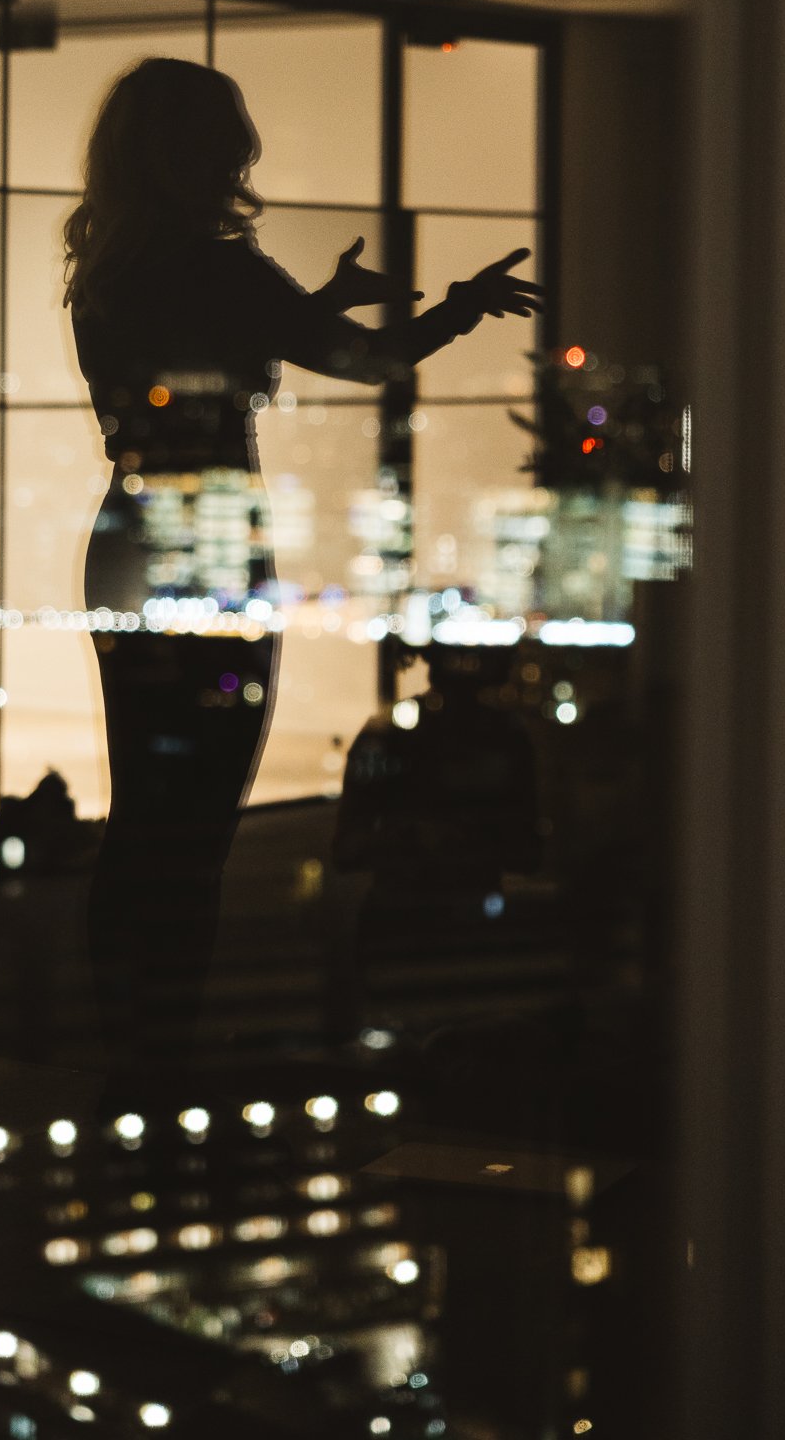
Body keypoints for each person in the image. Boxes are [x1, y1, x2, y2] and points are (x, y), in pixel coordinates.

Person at [64, 56, 541, 1071]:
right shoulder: (219, 266)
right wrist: (458, 305)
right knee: (197, 831)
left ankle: (123, 1046)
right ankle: (164, 1052)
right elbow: (366, 361)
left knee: (143, 821)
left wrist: (315, 299)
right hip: (210, 548)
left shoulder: (108, 267)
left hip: (127, 541)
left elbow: (188, 363)